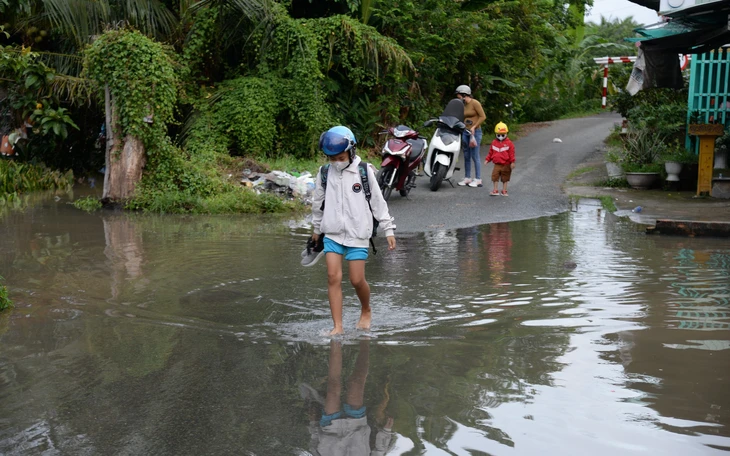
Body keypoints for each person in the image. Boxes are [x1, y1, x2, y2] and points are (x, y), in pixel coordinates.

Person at [310, 126, 396, 335]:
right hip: (332, 233)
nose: (336, 162)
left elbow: (377, 201)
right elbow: (318, 202)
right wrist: (315, 229)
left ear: (351, 151)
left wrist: (388, 228)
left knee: (356, 280)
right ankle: (337, 327)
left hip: (358, 233)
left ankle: (366, 309)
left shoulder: (363, 171)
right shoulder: (324, 173)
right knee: (333, 277)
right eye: (332, 159)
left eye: (340, 157)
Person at [301, 339, 396, 455]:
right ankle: (364, 340)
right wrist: (386, 432)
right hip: (357, 427)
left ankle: (336, 338)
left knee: (333, 389)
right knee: (356, 383)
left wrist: (314, 424)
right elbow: (379, 452)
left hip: (330, 429)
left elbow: (314, 448)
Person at [454, 85, 487, 188]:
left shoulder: (475, 103)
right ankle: (467, 177)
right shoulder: (463, 105)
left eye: (459, 95)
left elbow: (483, 116)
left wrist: (474, 126)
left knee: (475, 155)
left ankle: (478, 179)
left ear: (464, 94)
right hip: (465, 131)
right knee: (466, 155)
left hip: (475, 132)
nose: (458, 98)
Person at [484, 122, 516, 196]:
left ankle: (504, 190)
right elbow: (491, 152)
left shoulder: (509, 143)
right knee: (495, 176)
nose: (500, 136)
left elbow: (512, 153)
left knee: (505, 177)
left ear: (506, 133)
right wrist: (487, 159)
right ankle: (495, 190)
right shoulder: (494, 142)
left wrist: (512, 162)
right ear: (496, 134)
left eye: (502, 135)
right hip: (497, 164)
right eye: (498, 135)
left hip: (506, 164)